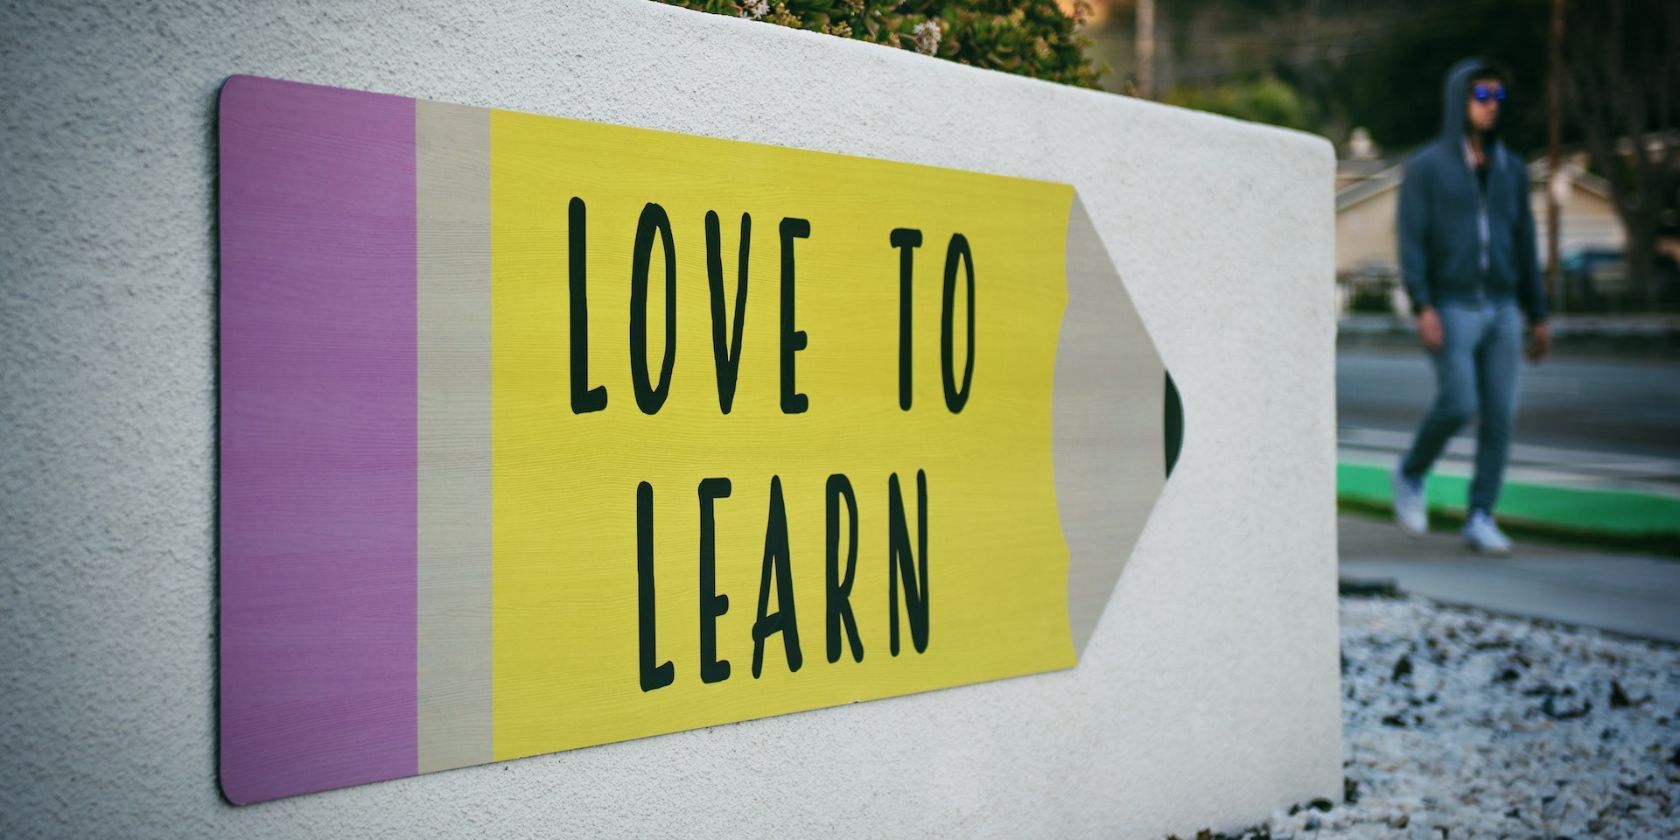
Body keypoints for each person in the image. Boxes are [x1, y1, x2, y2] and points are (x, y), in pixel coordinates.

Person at [1391, 58, 1551, 554]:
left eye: (1498, 98)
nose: (1491, 107)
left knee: (1500, 416)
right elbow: (1411, 239)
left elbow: (1525, 242)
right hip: (1451, 304)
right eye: (1481, 96)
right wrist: (1422, 304)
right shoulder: (1426, 168)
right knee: (1460, 403)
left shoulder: (1511, 169)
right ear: (1459, 100)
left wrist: (1537, 313)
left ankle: (1480, 514)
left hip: (1502, 306)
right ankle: (1411, 473)